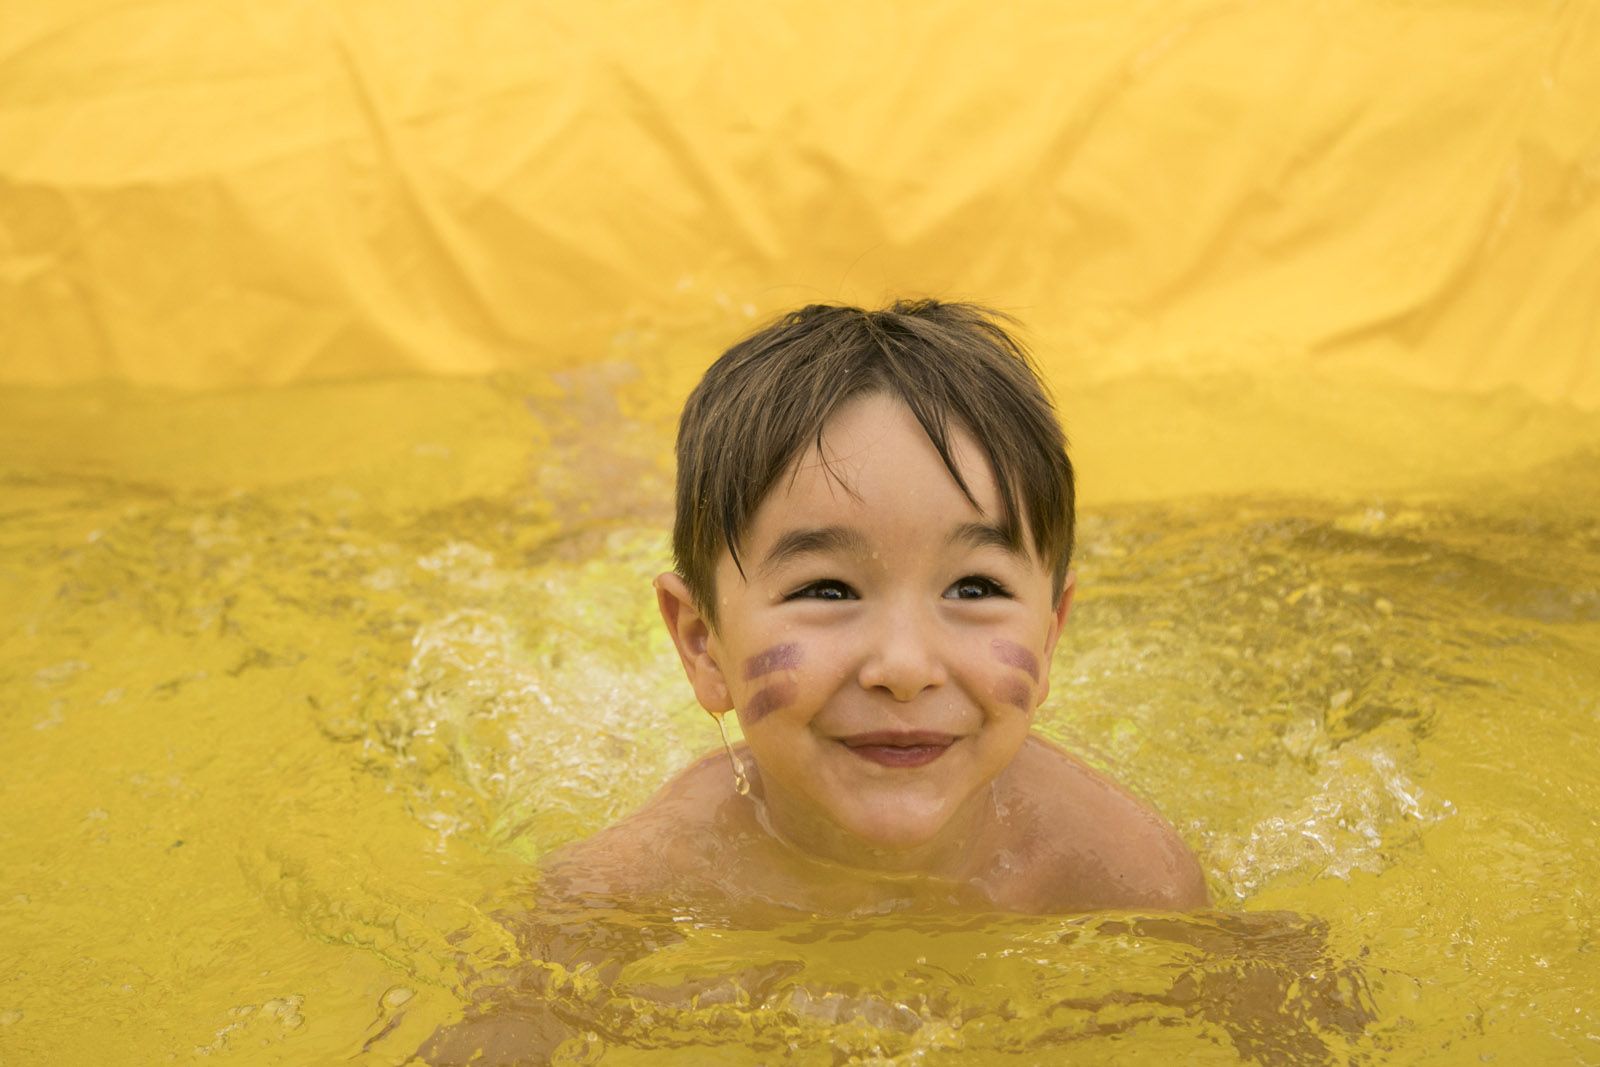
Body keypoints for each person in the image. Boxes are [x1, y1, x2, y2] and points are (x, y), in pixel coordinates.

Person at [541, 300, 1206, 915]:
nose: (905, 666)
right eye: (826, 590)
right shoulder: (628, 892)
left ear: (1052, 633)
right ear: (701, 643)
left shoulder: (1126, 881)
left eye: (974, 588)